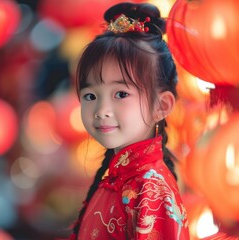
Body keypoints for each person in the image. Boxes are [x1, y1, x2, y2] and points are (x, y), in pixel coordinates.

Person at [70, 2, 190, 239]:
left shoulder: (152, 191)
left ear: (161, 106)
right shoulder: (118, 179)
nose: (102, 110)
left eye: (121, 94)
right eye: (91, 96)